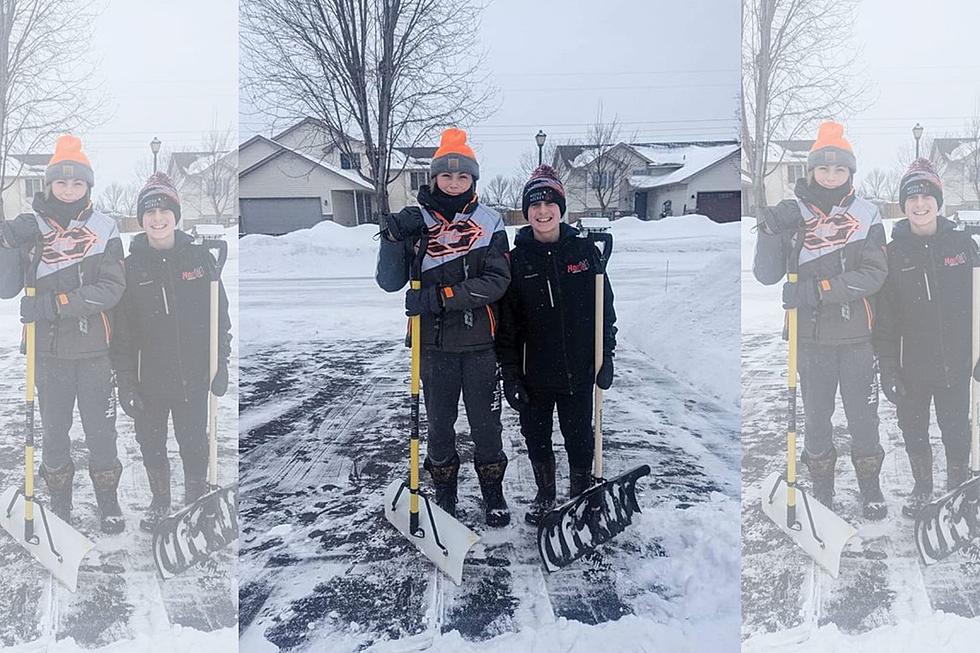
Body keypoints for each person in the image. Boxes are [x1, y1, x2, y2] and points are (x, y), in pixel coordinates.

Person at [376, 127, 512, 527]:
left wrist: (440, 298)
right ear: (433, 177)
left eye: (463, 176)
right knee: (437, 427)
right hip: (431, 346)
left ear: (473, 180)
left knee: (486, 426)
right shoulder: (416, 220)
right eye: (446, 175)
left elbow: (496, 281)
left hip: (480, 344)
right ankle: (446, 495)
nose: (454, 183)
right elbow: (389, 281)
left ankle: (493, 492)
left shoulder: (489, 223)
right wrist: (392, 237)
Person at [753, 121, 889, 520]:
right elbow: (766, 274)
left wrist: (819, 290)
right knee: (814, 418)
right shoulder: (792, 213)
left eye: (840, 169)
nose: (831, 176)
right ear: (811, 170)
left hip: (856, 337)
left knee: (863, 418)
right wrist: (769, 230)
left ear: (850, 173)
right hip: (808, 339)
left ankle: (870, 485)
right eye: (824, 168)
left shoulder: (867, 215)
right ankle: (823, 488)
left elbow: (873, 274)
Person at [0, 135, 126, 533]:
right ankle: (60, 503)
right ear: (50, 184)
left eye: (77, 183)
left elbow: (110, 289)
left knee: (101, 433)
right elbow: (6, 287)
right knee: (53, 434)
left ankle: (108, 499)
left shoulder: (106, 229)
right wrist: (6, 242)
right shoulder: (31, 228)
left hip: (95, 351)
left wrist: (56, 305)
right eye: (61, 182)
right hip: (48, 353)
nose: (69, 189)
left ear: (88, 186)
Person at [495, 165, 616, 525]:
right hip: (535, 374)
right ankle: (545, 494)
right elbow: (507, 328)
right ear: (526, 212)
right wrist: (512, 377)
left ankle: (580, 494)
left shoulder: (583, 254)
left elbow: (604, 309)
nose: (543, 210)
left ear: (561, 208)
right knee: (536, 435)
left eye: (550, 203)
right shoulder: (517, 262)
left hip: (578, 370)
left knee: (580, 436)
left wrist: (606, 355)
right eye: (535, 204)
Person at [110, 172, 232, 531]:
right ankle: (160, 502)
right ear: (141, 218)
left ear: (176, 215)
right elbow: (123, 335)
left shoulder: (199, 260)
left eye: (165, 209)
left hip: (193, 375)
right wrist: (126, 383)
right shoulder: (131, 268)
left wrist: (220, 363)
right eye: (150, 211)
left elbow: (219, 318)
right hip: (149, 378)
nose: (157, 217)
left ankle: (195, 499)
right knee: (151, 442)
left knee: (194, 442)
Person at [874, 159, 978, 517]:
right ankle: (922, 489)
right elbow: (884, 322)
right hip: (911, 367)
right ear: (903, 206)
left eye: (926, 196)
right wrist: (888, 368)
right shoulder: (893, 252)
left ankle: (958, 490)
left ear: (938, 200)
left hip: (956, 363)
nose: (920, 204)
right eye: (912, 198)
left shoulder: (963, 246)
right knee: (913, 429)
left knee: (956, 430)